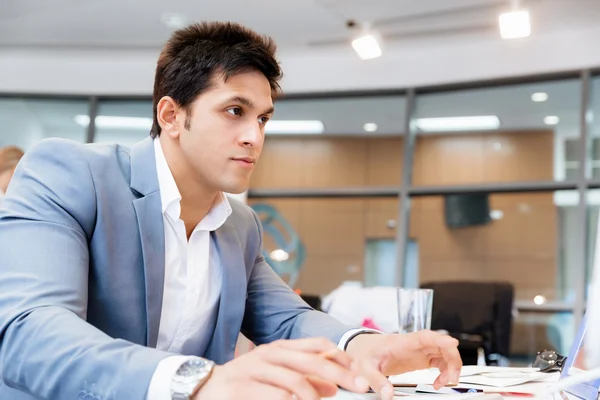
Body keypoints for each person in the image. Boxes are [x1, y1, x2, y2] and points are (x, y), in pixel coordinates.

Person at [0, 21, 461, 400]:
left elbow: (287, 319)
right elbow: (29, 332)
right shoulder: (70, 174)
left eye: (262, 118)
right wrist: (198, 380)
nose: (254, 136)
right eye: (234, 110)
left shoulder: (240, 225)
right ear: (171, 116)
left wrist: (364, 345)